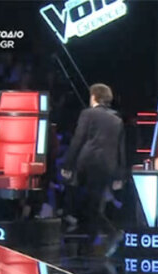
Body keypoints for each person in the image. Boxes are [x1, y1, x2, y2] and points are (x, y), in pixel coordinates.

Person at [61, 83, 126, 254]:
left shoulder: (88, 114)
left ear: (94, 97)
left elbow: (78, 139)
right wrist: (120, 175)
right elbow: (121, 149)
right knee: (94, 203)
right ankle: (90, 242)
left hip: (89, 164)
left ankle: (110, 233)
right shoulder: (117, 119)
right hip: (108, 167)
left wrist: (68, 164)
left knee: (88, 204)